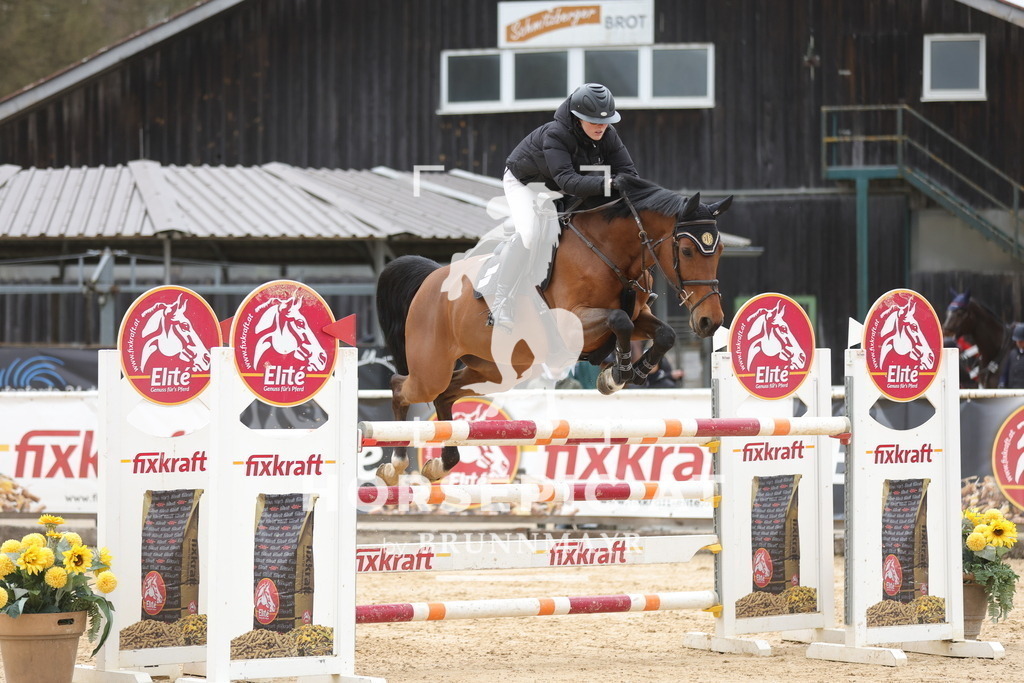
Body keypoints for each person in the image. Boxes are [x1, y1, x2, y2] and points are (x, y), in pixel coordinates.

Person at [488, 83, 639, 328]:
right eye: (594, 121)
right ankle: (502, 301)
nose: (601, 126)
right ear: (577, 118)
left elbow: (629, 173)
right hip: (526, 184)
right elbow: (568, 182)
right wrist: (610, 183)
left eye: (606, 121)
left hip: (562, 184)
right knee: (530, 233)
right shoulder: (556, 134)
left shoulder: (607, 133)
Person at [998, 323, 1024, 388]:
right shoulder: (1012, 354)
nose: (1018, 343)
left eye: (1021, 341)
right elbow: (1005, 373)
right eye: (1017, 341)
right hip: (1012, 392)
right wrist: (1002, 383)